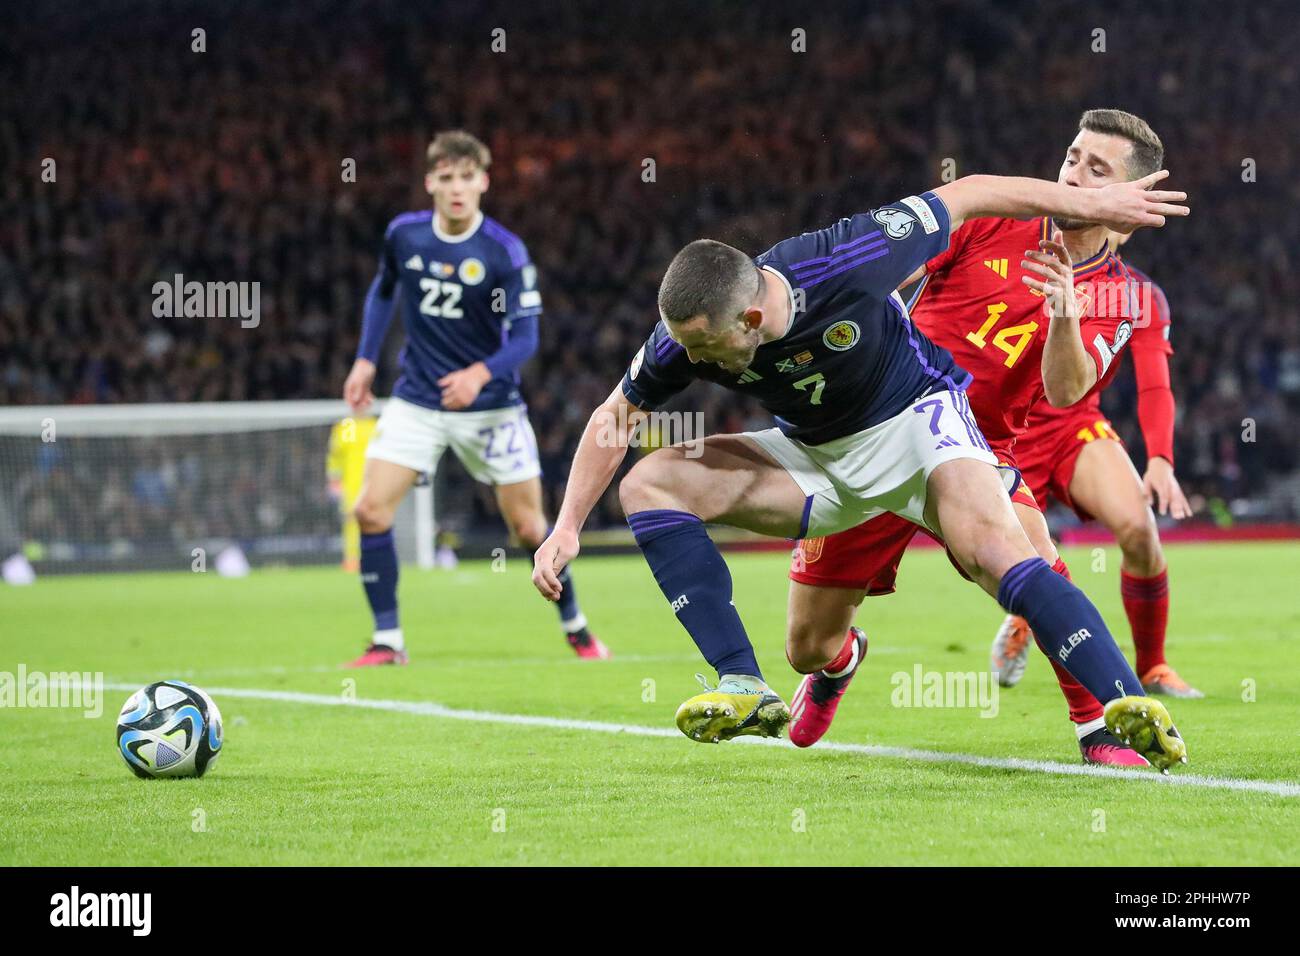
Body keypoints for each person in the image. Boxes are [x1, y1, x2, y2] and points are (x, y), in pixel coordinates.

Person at [532, 160, 1190, 770]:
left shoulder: (848, 256)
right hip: (818, 456)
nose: (691, 360)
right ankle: (747, 682)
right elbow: (612, 416)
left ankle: (1124, 705)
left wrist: (1092, 202)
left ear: (753, 316)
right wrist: (566, 528)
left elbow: (967, 193)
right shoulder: (687, 336)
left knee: (1004, 553)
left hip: (919, 429)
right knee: (658, 489)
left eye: (705, 346)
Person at [343, 130, 607, 666]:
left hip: (492, 409)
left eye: (467, 177)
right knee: (370, 511)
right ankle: (387, 641)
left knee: (531, 530)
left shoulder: (504, 252)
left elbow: (527, 339)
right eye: (446, 178)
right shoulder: (404, 236)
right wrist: (366, 359)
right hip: (417, 399)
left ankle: (576, 628)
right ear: (430, 183)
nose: (457, 188)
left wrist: (478, 375)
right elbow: (384, 289)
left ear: (483, 182)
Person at [991, 243, 1200, 698]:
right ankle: (1028, 612)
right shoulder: (1016, 255)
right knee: (1027, 557)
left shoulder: (1135, 294)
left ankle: (1153, 666)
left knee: (1140, 529)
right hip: (1004, 426)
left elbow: (1154, 384)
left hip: (1073, 425)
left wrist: (1161, 459)